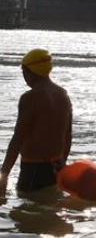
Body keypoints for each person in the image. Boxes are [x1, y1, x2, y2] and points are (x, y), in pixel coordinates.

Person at [0, 49, 72, 194]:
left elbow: (18, 138)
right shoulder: (63, 94)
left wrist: (4, 173)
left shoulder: (30, 98)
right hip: (57, 166)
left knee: (26, 204)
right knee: (50, 203)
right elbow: (68, 135)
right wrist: (62, 164)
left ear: (30, 72)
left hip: (33, 169)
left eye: (23, 72)